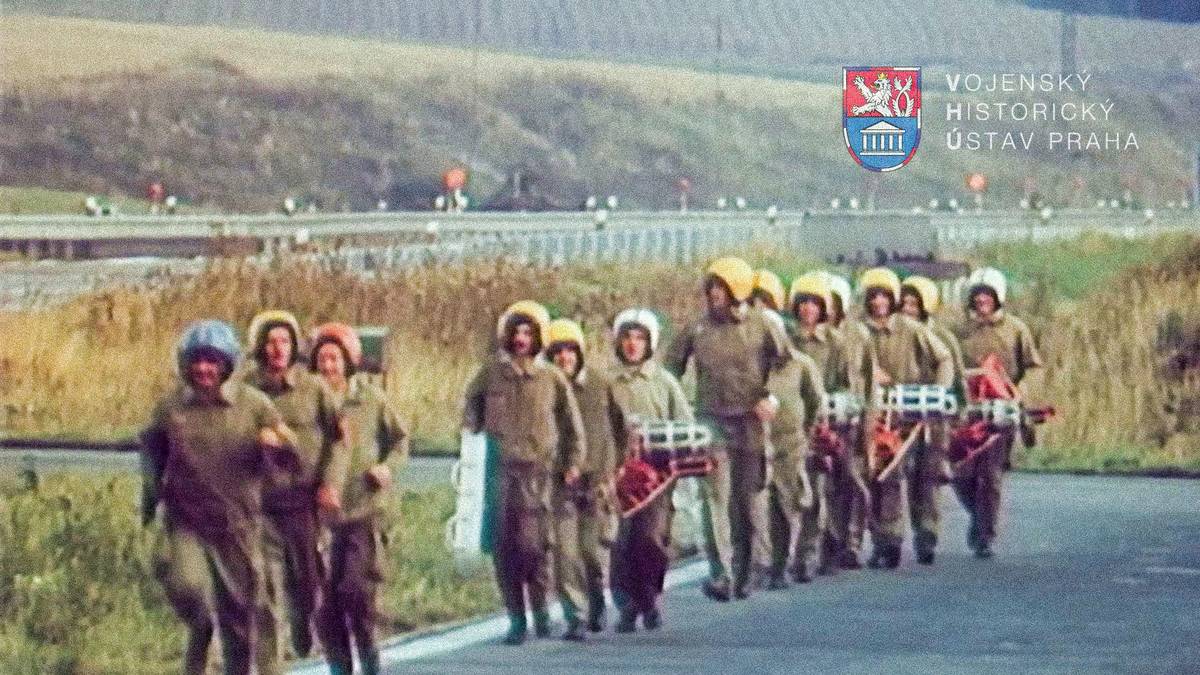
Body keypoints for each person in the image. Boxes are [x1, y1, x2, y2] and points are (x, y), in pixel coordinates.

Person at [141, 320, 299, 675]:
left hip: (237, 527)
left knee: (240, 618)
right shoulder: (171, 408)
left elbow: (292, 454)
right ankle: (201, 634)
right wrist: (149, 503)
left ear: (227, 365)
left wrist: (276, 443)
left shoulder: (254, 405)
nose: (203, 369)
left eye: (212, 361)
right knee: (190, 590)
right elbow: (152, 453)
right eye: (196, 361)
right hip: (187, 523)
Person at [665, 256, 792, 599]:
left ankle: (747, 569)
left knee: (749, 500)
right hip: (712, 423)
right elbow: (670, 369)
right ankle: (720, 572)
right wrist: (673, 410)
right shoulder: (697, 329)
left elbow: (786, 367)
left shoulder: (764, 325)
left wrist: (771, 397)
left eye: (721, 288)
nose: (714, 294)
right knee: (715, 499)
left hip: (751, 422)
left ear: (737, 290)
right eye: (711, 288)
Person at [463, 301, 587, 645]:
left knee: (534, 546)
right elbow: (471, 405)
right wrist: (472, 431)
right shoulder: (491, 373)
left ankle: (541, 608)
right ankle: (516, 617)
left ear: (538, 338)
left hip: (539, 474)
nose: (521, 339)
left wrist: (573, 462)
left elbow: (572, 425)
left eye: (528, 333)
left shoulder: (551, 378)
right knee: (504, 547)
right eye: (516, 332)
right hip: (500, 473)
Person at [243, 310, 348, 666]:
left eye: (284, 341)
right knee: (264, 591)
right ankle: (270, 666)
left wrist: (330, 484)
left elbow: (340, 440)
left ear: (294, 347)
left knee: (308, 587)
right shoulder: (244, 391)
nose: (277, 349)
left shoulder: (314, 389)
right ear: (260, 347)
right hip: (262, 507)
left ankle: (307, 629)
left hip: (304, 506)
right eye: (271, 342)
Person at [309, 323, 409, 675]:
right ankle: (339, 666)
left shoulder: (371, 399)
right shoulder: (307, 402)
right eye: (322, 359)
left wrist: (386, 468)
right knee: (324, 603)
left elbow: (400, 440)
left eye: (335, 359)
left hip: (363, 510)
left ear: (349, 362)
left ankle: (369, 658)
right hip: (320, 517)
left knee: (356, 591)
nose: (328, 366)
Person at [857, 267, 952, 569]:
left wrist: (937, 392)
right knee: (885, 477)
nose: (879, 302)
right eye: (874, 296)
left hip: (916, 413)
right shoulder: (858, 333)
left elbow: (943, 358)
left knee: (925, 477)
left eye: (885, 296)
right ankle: (888, 542)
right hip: (879, 414)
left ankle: (927, 536)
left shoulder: (912, 329)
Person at [608, 308, 693, 631]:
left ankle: (650, 597)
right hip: (617, 475)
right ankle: (627, 604)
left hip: (656, 477)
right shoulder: (607, 382)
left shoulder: (664, 382)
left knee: (652, 539)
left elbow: (684, 425)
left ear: (650, 343)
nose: (632, 344)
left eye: (639, 338)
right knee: (620, 542)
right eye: (627, 337)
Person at [544, 318, 626, 640]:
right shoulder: (545, 387)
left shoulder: (600, 384)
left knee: (591, 551)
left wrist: (613, 469)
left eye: (570, 351)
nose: (564, 358)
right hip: (560, 481)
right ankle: (575, 615)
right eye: (557, 352)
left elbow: (620, 429)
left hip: (595, 483)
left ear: (579, 353)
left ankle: (596, 601)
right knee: (566, 553)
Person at [954, 267, 1043, 559]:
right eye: (977, 295)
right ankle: (979, 516)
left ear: (998, 297)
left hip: (1002, 412)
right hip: (968, 413)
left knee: (991, 476)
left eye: (987, 295)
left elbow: (1032, 368)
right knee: (961, 475)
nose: (982, 300)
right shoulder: (958, 332)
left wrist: (1020, 393)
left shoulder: (1016, 330)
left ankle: (985, 536)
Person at [749, 270, 826, 589]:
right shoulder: (746, 368)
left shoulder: (801, 365)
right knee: (754, 506)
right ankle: (756, 565)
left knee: (786, 504)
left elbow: (815, 402)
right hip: (753, 445)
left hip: (790, 445)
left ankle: (782, 563)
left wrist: (806, 435)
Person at [789, 271, 868, 574]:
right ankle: (793, 555)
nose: (808, 309)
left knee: (828, 488)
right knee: (795, 491)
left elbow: (849, 387)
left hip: (826, 427)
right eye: (803, 302)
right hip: (792, 425)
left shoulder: (837, 343)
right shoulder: (785, 341)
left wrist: (833, 416)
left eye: (814, 303)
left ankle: (822, 549)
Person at [898, 275, 965, 566]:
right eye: (904, 303)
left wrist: (953, 407)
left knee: (928, 475)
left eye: (914, 303)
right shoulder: (896, 333)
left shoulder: (943, 338)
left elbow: (956, 375)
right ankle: (891, 536)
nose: (908, 309)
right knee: (896, 475)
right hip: (900, 412)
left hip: (934, 416)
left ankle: (927, 532)